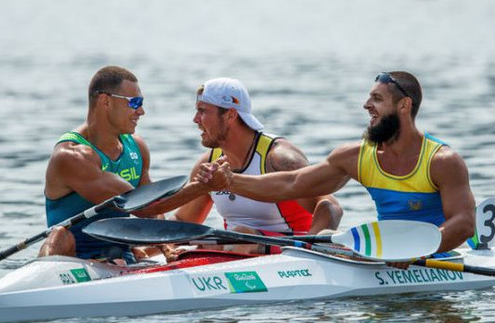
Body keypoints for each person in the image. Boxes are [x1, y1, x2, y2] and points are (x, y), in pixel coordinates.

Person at [201, 71, 475, 256]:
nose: (366, 105)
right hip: (391, 254)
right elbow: (292, 182)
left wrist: (414, 248)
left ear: (404, 105)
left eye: (377, 99)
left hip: (436, 257)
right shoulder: (357, 157)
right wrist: (231, 181)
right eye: (369, 97)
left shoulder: (442, 161)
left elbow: (463, 223)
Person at [38, 66, 216, 263]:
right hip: (72, 258)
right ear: (106, 101)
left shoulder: (137, 147)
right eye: (135, 102)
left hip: (119, 254)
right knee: (60, 235)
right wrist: (204, 187)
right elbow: (144, 208)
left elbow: (152, 213)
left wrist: (166, 248)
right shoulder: (72, 156)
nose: (141, 111)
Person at [171, 77, 342, 254]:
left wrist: (307, 252)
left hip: (289, 249)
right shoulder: (208, 164)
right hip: (234, 246)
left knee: (239, 236)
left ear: (230, 115)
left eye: (202, 111)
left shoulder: (279, 158)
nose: (195, 119)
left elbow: (330, 207)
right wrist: (150, 247)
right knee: (204, 241)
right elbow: (183, 219)